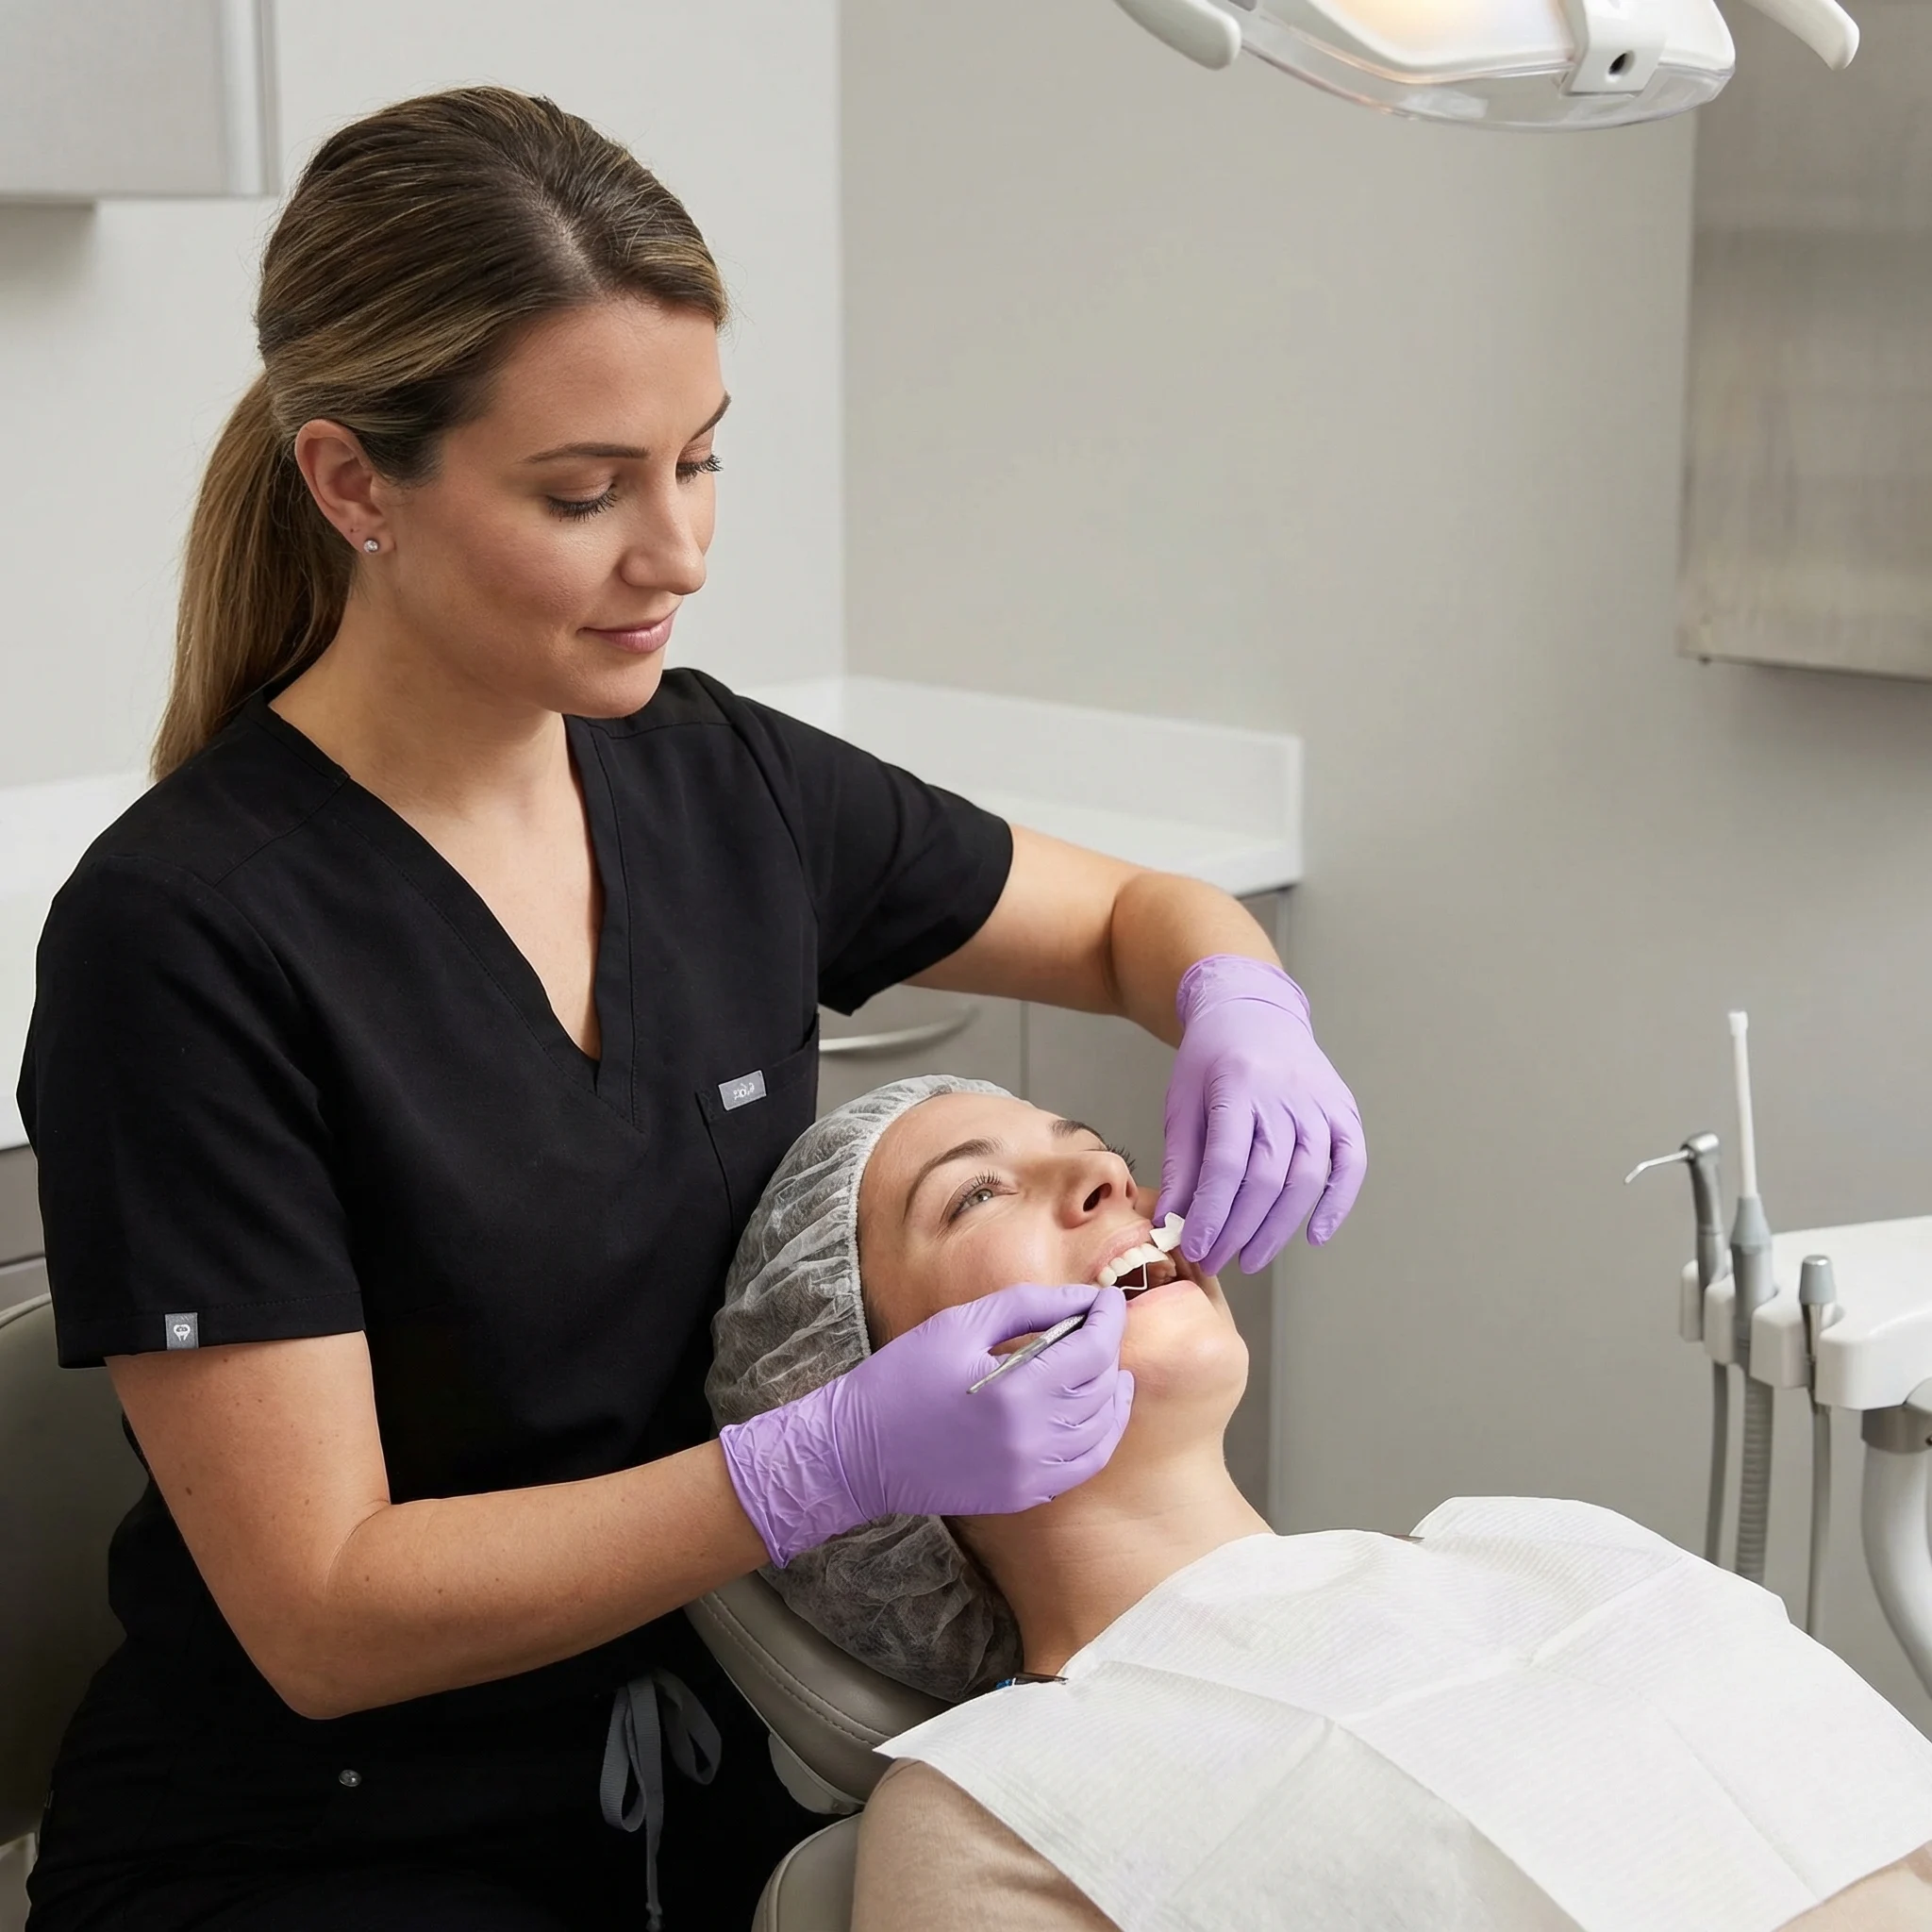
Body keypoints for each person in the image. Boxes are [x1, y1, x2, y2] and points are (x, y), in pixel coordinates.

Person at [15, 88, 1366, 1932]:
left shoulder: (712, 780)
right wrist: (830, 1458)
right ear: (353, 485)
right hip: (324, 1851)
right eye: (585, 492)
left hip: (705, 1797)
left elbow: (1137, 912)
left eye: (700, 459)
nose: (678, 551)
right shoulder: (184, 938)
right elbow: (323, 1611)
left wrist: (1235, 993)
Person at [708, 1079, 1932, 1932]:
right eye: (975, 1197)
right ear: (863, 1395)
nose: (1103, 1174)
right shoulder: (991, 1810)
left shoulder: (1550, 1546)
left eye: (1088, 1146)